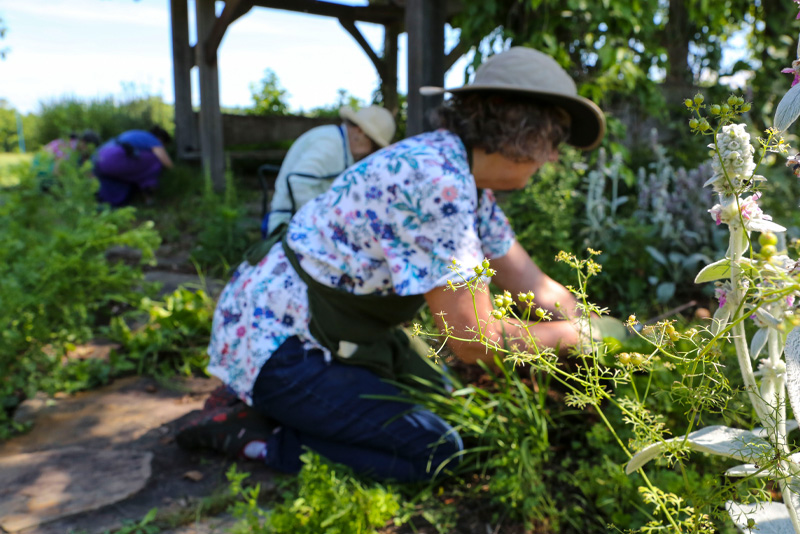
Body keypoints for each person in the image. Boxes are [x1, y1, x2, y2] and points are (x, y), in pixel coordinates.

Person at [177, 47, 606, 483]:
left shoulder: (465, 180)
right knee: (437, 451)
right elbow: (472, 341)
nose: (554, 155)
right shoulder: (436, 183)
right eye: (553, 137)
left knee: (449, 402)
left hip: (315, 326)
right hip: (277, 342)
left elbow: (532, 282)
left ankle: (276, 403)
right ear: (511, 122)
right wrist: (572, 337)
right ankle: (256, 434)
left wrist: (603, 327)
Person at [264, 105, 396, 235]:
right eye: (374, 146)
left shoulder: (341, 144)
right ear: (360, 132)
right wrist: (328, 222)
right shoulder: (329, 144)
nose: (370, 153)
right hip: (289, 226)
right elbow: (298, 184)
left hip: (307, 224)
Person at [92, 126, 173, 206]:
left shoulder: (139, 135)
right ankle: (148, 193)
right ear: (161, 139)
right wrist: (176, 172)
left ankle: (105, 201)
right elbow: (165, 161)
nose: (164, 148)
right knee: (155, 160)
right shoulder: (153, 139)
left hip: (98, 157)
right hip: (112, 159)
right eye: (164, 146)